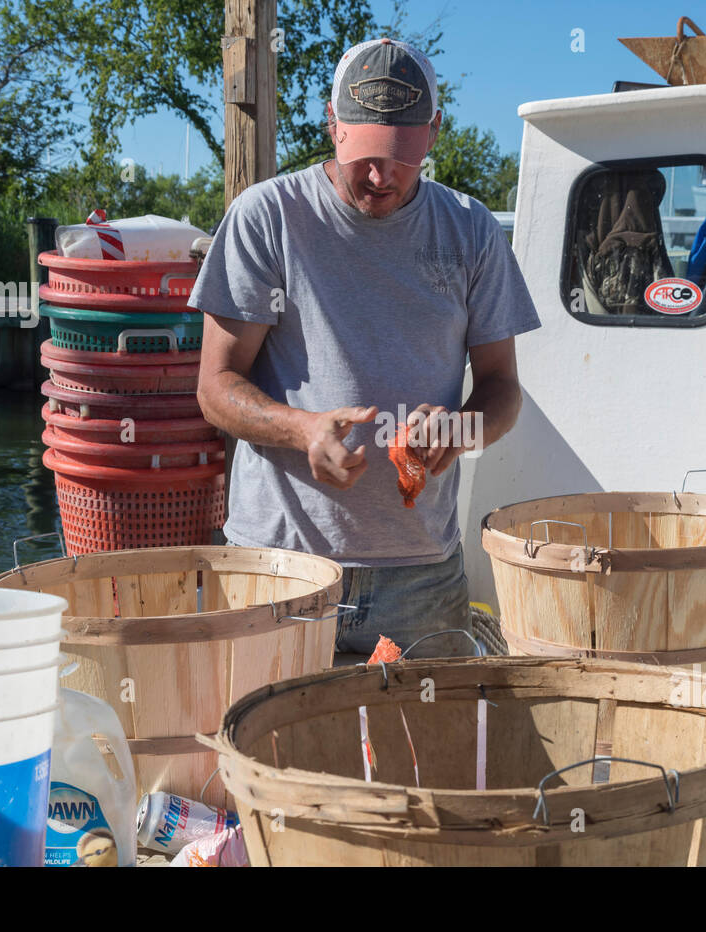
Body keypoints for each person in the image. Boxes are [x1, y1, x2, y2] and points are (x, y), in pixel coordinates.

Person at [189, 37, 541, 657]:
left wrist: (459, 429)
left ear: (434, 131)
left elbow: (502, 388)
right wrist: (302, 429)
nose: (379, 177)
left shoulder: (472, 231)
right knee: (267, 749)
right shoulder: (266, 218)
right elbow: (215, 387)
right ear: (332, 127)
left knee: (425, 751)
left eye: (401, 156)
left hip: (422, 575)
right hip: (280, 566)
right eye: (365, 155)